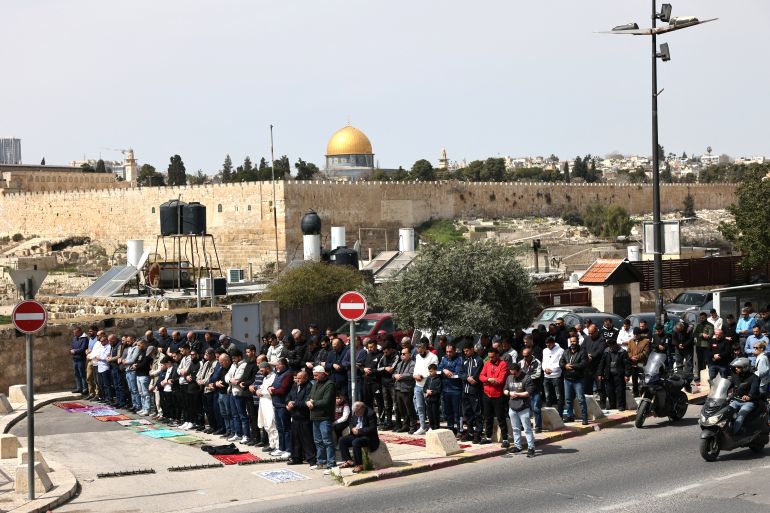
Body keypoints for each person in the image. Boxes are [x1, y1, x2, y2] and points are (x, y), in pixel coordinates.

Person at [308, 365, 337, 474]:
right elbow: (310, 396)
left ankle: (331, 464)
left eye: (316, 375)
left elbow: (326, 401)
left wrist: (313, 403)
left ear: (322, 374)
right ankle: (321, 462)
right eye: (314, 375)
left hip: (325, 417)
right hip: (315, 416)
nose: (314, 377)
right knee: (318, 441)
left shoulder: (330, 385)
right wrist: (308, 401)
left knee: (327, 441)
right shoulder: (315, 383)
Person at [338, 401, 380, 473]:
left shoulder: (370, 414)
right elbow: (350, 422)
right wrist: (352, 428)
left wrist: (359, 431)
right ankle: (349, 461)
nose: (355, 413)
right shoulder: (356, 412)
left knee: (356, 442)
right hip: (356, 434)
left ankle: (359, 465)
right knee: (342, 440)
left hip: (367, 437)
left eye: (357, 412)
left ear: (361, 408)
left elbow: (372, 428)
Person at [504, 362, 536, 457]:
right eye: (511, 373)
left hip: (523, 407)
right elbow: (505, 389)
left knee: (527, 429)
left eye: (514, 373)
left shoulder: (526, 378)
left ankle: (531, 448)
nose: (513, 375)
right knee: (515, 428)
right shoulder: (509, 377)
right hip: (512, 407)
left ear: (519, 371)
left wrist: (516, 394)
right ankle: (518, 446)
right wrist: (509, 393)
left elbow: (528, 392)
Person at [479, 348, 509, 447]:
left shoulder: (503, 364)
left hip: (498, 395)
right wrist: (489, 379)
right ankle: (488, 437)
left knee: (501, 417)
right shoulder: (487, 363)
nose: (490, 358)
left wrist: (488, 381)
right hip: (487, 394)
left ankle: (505, 439)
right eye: (489, 356)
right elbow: (481, 377)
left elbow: (500, 380)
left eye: (492, 356)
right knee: (488, 417)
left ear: (497, 355)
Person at [286, 369, 316, 466]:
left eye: (299, 378)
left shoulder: (309, 387)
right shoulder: (295, 386)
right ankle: (296, 458)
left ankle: (311, 459)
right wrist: (288, 402)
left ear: (305, 378)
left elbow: (306, 402)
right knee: (295, 439)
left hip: (304, 417)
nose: (297, 380)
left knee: (307, 440)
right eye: (297, 378)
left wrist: (294, 404)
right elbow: (288, 396)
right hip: (295, 417)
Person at [726, 357, 760, 434]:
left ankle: (733, 434)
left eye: (738, 367)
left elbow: (754, 388)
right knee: (727, 412)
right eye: (736, 367)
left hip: (749, 402)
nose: (736, 369)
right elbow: (727, 385)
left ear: (745, 368)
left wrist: (749, 396)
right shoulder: (735, 376)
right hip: (736, 400)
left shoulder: (754, 377)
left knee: (741, 414)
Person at [269, 357, 294, 458]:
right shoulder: (278, 374)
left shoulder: (288, 375)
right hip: (276, 404)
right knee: (279, 428)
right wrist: (269, 388)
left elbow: (282, 390)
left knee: (286, 428)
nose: (276, 366)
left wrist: (273, 391)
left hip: (283, 405)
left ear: (283, 365)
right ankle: (281, 448)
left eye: (278, 365)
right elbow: (272, 385)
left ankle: (288, 449)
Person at [411, 341, 438, 435]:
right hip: (418, 385)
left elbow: (433, 371)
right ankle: (422, 426)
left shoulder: (433, 357)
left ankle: (432, 426)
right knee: (419, 407)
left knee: (429, 408)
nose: (419, 350)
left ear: (426, 347)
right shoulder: (417, 356)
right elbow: (416, 369)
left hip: (428, 386)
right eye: (418, 348)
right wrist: (415, 375)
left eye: (421, 348)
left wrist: (422, 376)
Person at [560, 336, 588, 425]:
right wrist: (564, 366)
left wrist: (571, 366)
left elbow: (584, 364)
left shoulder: (582, 352)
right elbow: (561, 362)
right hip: (567, 379)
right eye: (571, 341)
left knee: (580, 399)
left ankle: (584, 418)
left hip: (578, 379)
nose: (572, 343)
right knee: (568, 399)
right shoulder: (566, 351)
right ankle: (570, 416)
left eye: (574, 341)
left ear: (577, 341)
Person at [460, 342, 484, 443]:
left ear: (472, 349)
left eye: (467, 351)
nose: (466, 353)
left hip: (474, 391)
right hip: (465, 390)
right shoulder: (464, 360)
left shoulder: (478, 360)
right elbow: (460, 372)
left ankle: (478, 433)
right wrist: (467, 378)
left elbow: (478, 374)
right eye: (464, 351)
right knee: (467, 412)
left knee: (477, 412)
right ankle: (470, 432)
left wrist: (472, 378)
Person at [598, 338, 631, 410]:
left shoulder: (622, 352)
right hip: (609, 374)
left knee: (620, 391)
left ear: (615, 345)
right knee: (610, 391)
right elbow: (602, 363)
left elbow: (627, 365)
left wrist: (627, 375)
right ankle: (612, 405)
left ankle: (621, 406)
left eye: (612, 346)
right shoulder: (606, 351)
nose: (611, 348)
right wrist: (600, 373)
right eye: (609, 346)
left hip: (619, 375)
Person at [438, 343, 463, 434]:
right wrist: (444, 370)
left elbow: (457, 374)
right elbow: (438, 370)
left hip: (456, 389)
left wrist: (446, 372)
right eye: (447, 352)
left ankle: (460, 430)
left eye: (450, 352)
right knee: (448, 412)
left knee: (457, 412)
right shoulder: (444, 358)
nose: (448, 353)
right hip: (445, 389)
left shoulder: (459, 359)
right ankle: (450, 428)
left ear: (454, 350)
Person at [256, 361, 279, 452]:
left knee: (272, 424)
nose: (261, 372)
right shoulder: (265, 378)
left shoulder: (273, 377)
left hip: (269, 403)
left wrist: (261, 392)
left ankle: (277, 445)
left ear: (267, 368)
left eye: (262, 370)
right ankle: (271, 444)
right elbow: (263, 387)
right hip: (263, 403)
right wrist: (258, 390)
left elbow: (271, 390)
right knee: (266, 425)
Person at [393, 346, 417, 433]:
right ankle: (405, 425)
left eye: (404, 354)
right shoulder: (399, 364)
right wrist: (395, 376)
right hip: (398, 388)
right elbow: (394, 373)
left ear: (409, 354)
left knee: (409, 408)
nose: (402, 355)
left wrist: (401, 376)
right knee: (401, 409)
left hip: (407, 389)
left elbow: (411, 374)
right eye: (401, 354)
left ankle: (413, 426)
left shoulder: (413, 363)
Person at [519, 347, 543, 432]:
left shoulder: (537, 362)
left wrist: (525, 377)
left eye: (527, 356)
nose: (525, 358)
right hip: (524, 389)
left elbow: (537, 374)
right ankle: (524, 425)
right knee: (523, 408)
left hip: (535, 388)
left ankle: (538, 427)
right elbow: (518, 374)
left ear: (531, 354)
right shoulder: (521, 363)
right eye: (524, 356)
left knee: (536, 408)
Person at [583, 324, 607, 408]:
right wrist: (586, 356)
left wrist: (591, 356)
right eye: (589, 333)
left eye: (592, 333)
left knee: (600, 387)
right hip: (588, 367)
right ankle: (589, 404)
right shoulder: (586, 339)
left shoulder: (602, 340)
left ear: (596, 331)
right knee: (587, 387)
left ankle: (603, 403)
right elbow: (582, 348)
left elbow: (600, 351)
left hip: (598, 367)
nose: (590, 335)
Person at [376, 342, 398, 429]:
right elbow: (378, 368)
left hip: (392, 383)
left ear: (391, 350)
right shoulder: (383, 356)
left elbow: (392, 369)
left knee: (395, 405)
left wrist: (385, 369)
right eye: (384, 352)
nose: (385, 354)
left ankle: (397, 423)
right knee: (386, 405)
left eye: (386, 352)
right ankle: (388, 422)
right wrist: (385, 368)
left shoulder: (396, 356)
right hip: (384, 383)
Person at [542, 337, 564, 420]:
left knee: (559, 396)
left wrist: (552, 370)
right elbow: (544, 362)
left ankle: (560, 415)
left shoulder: (560, 350)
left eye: (549, 344)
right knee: (548, 396)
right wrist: (545, 369)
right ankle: (549, 415)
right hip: (546, 376)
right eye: (546, 344)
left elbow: (560, 363)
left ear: (553, 343)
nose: (548, 346)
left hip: (556, 376)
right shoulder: (545, 350)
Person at [627, 328, 650, 397]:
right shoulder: (631, 341)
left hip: (641, 362)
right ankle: (635, 392)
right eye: (634, 334)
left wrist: (637, 357)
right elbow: (628, 351)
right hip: (633, 363)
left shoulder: (645, 341)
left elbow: (645, 352)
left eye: (637, 334)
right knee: (634, 378)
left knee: (643, 378)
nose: (635, 335)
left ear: (640, 334)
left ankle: (643, 391)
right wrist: (631, 357)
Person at [693, 312, 715, 384]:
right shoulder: (698, 325)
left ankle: (709, 377)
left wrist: (707, 336)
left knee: (708, 361)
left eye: (703, 318)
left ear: (706, 317)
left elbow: (711, 335)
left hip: (707, 346)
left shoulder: (710, 325)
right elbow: (694, 333)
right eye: (700, 317)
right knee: (699, 362)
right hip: (699, 346)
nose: (701, 319)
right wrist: (701, 334)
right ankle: (699, 377)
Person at [362, 338, 382, 413]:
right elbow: (362, 366)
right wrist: (364, 369)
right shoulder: (367, 355)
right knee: (367, 402)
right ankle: (370, 418)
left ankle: (382, 420)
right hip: (366, 382)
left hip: (376, 383)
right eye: (368, 347)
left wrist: (372, 371)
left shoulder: (380, 355)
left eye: (371, 347)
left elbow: (382, 369)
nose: (370, 349)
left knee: (379, 401)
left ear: (376, 346)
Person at [672, 322, 694, 391]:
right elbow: (673, 339)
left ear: (683, 327)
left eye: (680, 330)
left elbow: (691, 339)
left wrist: (684, 345)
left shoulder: (689, 329)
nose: (679, 331)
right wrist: (678, 345)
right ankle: (679, 379)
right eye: (678, 330)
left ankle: (688, 381)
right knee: (679, 364)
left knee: (688, 363)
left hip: (687, 348)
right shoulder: (675, 329)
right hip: (678, 348)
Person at [422, 363, 442, 431]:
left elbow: (439, 390)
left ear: (435, 370)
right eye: (429, 371)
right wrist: (426, 391)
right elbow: (424, 388)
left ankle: (436, 427)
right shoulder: (428, 378)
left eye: (431, 371)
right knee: (430, 414)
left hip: (435, 400)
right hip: (428, 400)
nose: (430, 372)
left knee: (435, 414)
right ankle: (431, 426)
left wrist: (431, 392)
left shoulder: (439, 379)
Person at [70, 327, 88, 395]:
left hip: (81, 359)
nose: (74, 334)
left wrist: (74, 351)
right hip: (75, 359)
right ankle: (79, 388)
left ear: (79, 332)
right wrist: (72, 350)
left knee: (82, 374)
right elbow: (72, 346)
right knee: (76, 374)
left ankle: (85, 388)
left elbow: (83, 348)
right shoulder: (74, 338)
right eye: (74, 333)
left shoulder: (84, 339)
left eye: (75, 333)